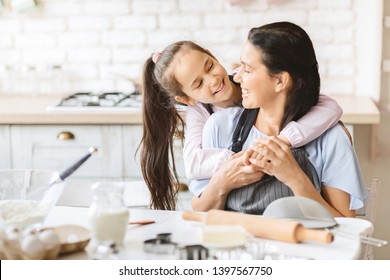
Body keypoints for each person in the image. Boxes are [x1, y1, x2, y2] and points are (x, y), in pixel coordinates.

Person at [190, 22, 368, 217]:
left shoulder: (332, 138)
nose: (237, 77)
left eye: (247, 70)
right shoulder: (219, 126)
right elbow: (200, 215)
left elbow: (347, 228)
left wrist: (295, 178)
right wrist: (222, 181)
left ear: (280, 81)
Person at [140, 40, 343, 210]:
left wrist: (282, 140)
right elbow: (194, 165)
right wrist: (241, 159)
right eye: (198, 84)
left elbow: (330, 107)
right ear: (187, 99)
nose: (213, 80)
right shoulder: (205, 117)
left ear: (213, 56)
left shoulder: (249, 78)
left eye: (210, 66)